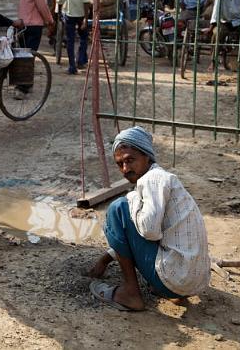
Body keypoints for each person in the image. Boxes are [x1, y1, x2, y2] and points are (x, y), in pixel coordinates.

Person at [88, 126, 210, 311]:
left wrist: (131, 198)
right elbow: (144, 232)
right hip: (193, 282)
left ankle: (130, 294)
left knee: (117, 208)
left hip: (176, 279)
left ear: (147, 156)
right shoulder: (161, 179)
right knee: (126, 208)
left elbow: (149, 231)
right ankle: (169, 291)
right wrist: (106, 259)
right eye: (120, 164)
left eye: (130, 160)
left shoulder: (152, 179)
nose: (125, 169)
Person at [56, 0, 93, 74]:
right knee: (83, 39)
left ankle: (72, 66)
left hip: (69, 14)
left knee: (70, 41)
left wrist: (60, 15)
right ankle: (80, 60)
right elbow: (86, 1)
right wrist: (86, 19)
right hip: (81, 14)